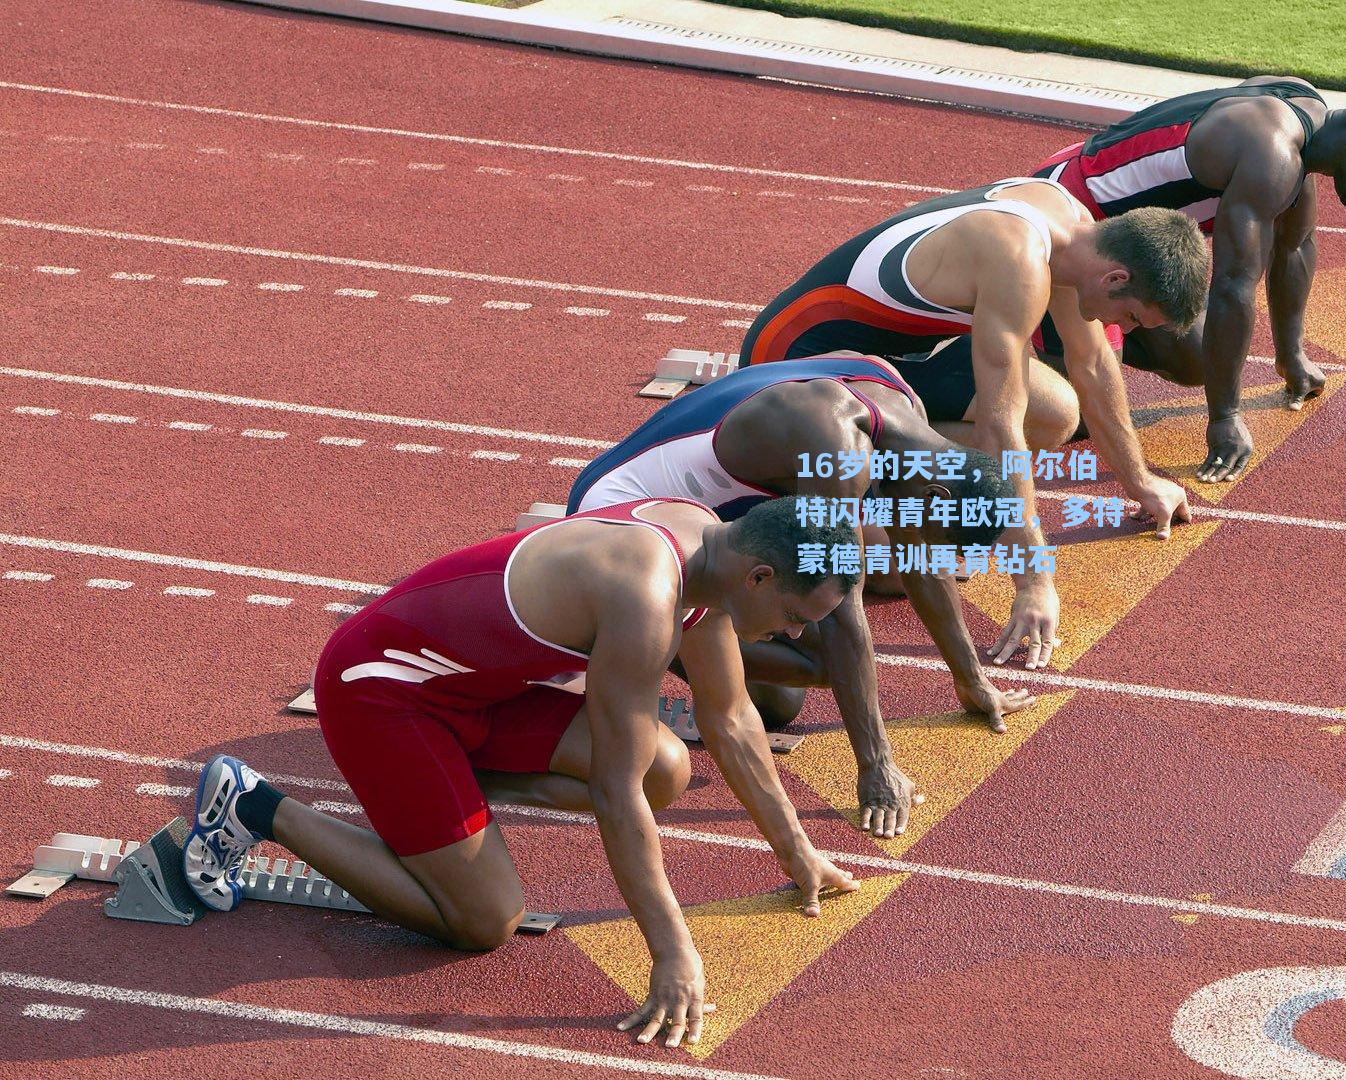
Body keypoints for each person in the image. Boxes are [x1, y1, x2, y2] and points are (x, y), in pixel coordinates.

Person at [182, 496, 860, 1050]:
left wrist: (797, 852)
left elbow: (732, 717)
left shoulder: (707, 548)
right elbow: (614, 792)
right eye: (796, 618)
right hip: (382, 692)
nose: (796, 636)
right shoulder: (646, 597)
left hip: (476, 695)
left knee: (666, 767)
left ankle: (437, 803)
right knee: (485, 920)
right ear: (759, 577)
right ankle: (254, 806)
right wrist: (672, 952)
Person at [739, 176, 1209, 667]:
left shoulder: (1076, 231)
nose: (1123, 329)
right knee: (904, 564)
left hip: (886, 355)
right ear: (1115, 279)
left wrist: (1140, 481)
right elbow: (999, 428)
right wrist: (1033, 580)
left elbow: (1091, 363)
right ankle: (851, 473)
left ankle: (885, 466)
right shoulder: (1018, 260)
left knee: (1055, 413)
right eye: (1131, 318)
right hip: (793, 362)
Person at [567, 352, 1036, 838]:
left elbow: (917, 556)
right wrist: (876, 766)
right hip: (619, 517)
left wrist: (971, 680)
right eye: (932, 532)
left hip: (696, 517)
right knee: (824, 659)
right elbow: (841, 612)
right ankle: (647, 646)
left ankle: (684, 645)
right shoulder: (837, 451)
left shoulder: (903, 411)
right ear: (937, 496)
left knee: (787, 697)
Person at [1034, 82, 1346, 482]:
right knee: (1078, 415)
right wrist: (1225, 417)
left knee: (1197, 355)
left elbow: (1295, 245)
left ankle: (1084, 338)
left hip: (1115, 233)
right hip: (1071, 219)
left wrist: (1291, 355)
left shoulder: (1304, 115)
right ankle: (1022, 333)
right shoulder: (1271, 155)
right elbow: (1232, 286)